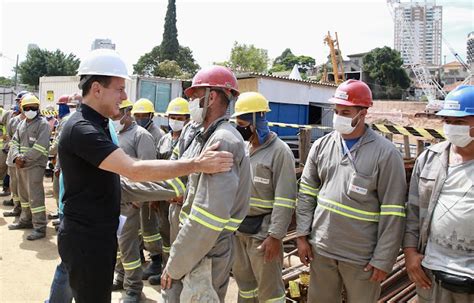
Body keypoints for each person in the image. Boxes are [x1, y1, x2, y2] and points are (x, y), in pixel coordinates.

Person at [57, 49, 234, 302]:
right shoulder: (82, 129)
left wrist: (174, 187)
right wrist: (197, 164)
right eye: (119, 89)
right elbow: (133, 170)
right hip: (86, 239)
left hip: (97, 234)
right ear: (97, 89)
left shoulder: (98, 124)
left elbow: (122, 179)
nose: (125, 96)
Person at [295, 79, 407, 303]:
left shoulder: (385, 154)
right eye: (336, 111)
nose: (339, 117)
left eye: (345, 111)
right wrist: (301, 236)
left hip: (361, 258)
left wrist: (383, 259)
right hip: (322, 250)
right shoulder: (322, 146)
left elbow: (393, 212)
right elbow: (306, 193)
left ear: (363, 113)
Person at [160, 65, 251, 303]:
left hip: (204, 249)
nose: (191, 101)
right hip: (199, 246)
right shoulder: (207, 135)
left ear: (211, 97)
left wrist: (175, 264)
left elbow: (207, 219)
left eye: (194, 96)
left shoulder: (222, 140)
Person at [404, 85, 474, 303]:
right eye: (448, 121)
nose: (452, 128)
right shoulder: (429, 159)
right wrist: (409, 254)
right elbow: (413, 212)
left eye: (460, 122)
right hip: (431, 272)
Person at [231, 92, 297, 302]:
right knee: (245, 284)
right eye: (238, 123)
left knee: (270, 291)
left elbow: (286, 198)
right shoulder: (243, 148)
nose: (239, 128)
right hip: (239, 229)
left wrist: (275, 236)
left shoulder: (280, 152)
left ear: (257, 120)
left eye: (243, 123)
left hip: (264, 233)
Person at [140, 97, 191, 285]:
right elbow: (158, 167)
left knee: (177, 237)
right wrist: (155, 196)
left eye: (179, 117)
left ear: (187, 118)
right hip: (163, 197)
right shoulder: (164, 139)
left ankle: (175, 274)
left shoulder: (190, 140)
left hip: (180, 200)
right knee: (164, 234)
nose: (175, 120)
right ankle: (164, 269)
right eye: (172, 116)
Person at [111, 99, 158, 302]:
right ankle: (121, 277)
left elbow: (148, 170)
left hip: (131, 202)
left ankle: (134, 289)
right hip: (115, 198)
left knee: (129, 246)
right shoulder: (114, 133)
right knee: (119, 244)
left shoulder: (141, 136)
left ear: (127, 112)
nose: (114, 118)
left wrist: (138, 200)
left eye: (117, 113)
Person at [8, 94, 51, 240]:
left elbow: (40, 146)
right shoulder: (22, 123)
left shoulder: (43, 124)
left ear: (38, 108)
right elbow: (14, 142)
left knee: (35, 196)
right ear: (22, 109)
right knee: (24, 195)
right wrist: (15, 157)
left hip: (35, 166)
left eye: (33, 107)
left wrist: (24, 158)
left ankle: (40, 227)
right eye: (27, 108)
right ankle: (25, 220)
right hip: (21, 165)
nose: (30, 110)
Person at [2, 103, 24, 217]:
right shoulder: (13, 120)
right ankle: (16, 208)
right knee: (14, 185)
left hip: (27, 161)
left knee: (25, 187)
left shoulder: (39, 123)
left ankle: (26, 213)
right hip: (13, 159)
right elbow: (11, 138)